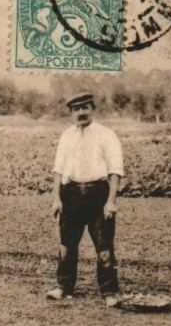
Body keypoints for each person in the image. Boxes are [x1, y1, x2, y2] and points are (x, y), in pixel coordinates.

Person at [48, 91, 123, 307]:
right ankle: (63, 287)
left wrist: (111, 201)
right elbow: (58, 170)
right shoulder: (66, 136)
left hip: (97, 194)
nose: (81, 113)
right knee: (66, 245)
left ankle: (109, 291)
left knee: (104, 247)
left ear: (92, 108)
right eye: (76, 109)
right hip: (70, 194)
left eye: (85, 108)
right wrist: (56, 199)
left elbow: (115, 171)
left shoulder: (106, 135)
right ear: (71, 112)